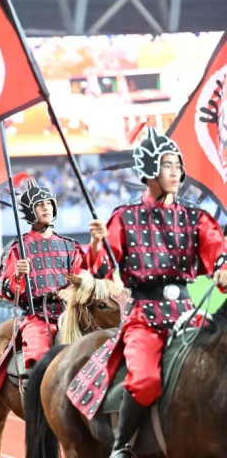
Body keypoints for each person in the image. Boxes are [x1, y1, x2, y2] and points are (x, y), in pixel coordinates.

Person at [71, 127, 227, 457]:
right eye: (168, 165)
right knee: (144, 381)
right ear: (149, 170)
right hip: (144, 318)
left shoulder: (195, 216)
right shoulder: (123, 217)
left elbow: (217, 250)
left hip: (188, 315)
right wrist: (97, 243)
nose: (176, 172)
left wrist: (222, 267)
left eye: (178, 166)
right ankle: (121, 445)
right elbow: (99, 270)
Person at [0, 179, 87, 368]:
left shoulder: (71, 246)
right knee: (38, 357)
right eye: (40, 204)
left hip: (71, 315)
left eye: (49, 203)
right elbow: (8, 292)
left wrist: (72, 291)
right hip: (36, 317)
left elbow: (85, 279)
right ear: (30, 210)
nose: (46, 208)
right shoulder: (17, 248)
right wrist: (18, 276)